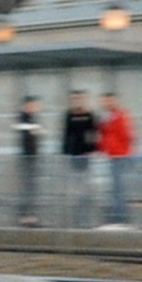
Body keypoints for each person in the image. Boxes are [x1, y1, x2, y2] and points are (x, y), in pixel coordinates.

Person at [98, 92, 137, 227]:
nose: (106, 104)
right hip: (113, 155)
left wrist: (122, 150)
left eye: (108, 101)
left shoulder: (120, 116)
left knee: (119, 187)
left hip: (120, 156)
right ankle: (118, 214)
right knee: (116, 187)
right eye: (105, 101)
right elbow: (104, 135)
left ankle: (120, 215)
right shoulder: (107, 117)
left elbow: (126, 135)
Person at [61, 91, 99, 226]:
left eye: (80, 99)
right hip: (74, 154)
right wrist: (65, 151)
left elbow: (93, 133)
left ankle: (85, 210)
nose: (77, 102)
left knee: (85, 183)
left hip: (85, 154)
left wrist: (92, 150)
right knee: (76, 184)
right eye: (75, 99)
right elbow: (66, 134)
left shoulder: (89, 114)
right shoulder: (69, 114)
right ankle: (77, 211)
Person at [13, 95, 43, 226]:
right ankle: (25, 215)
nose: (36, 108)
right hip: (26, 156)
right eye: (34, 105)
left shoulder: (32, 118)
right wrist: (35, 129)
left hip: (32, 156)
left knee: (31, 187)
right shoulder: (23, 117)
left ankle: (30, 214)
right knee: (27, 187)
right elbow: (20, 127)